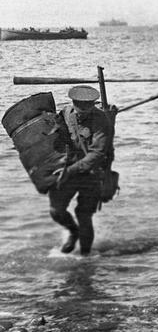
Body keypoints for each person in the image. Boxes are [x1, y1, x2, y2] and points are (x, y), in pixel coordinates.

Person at [50, 86, 113, 255]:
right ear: (74, 103)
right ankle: (73, 231)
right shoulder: (66, 113)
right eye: (81, 106)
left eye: (89, 106)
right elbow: (57, 141)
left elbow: (98, 153)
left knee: (84, 215)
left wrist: (70, 170)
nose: (85, 110)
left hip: (92, 174)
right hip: (69, 170)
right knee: (56, 211)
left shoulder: (101, 120)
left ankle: (85, 256)